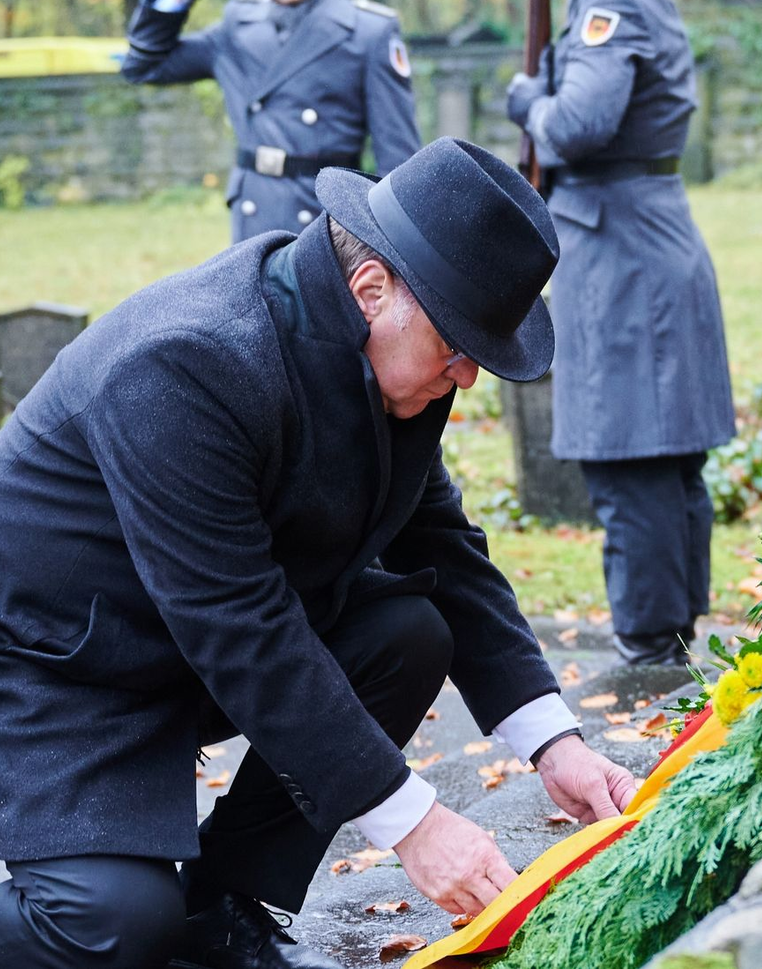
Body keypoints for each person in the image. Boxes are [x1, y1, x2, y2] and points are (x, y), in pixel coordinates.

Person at [0, 137, 636, 969]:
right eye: (459, 347)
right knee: (111, 927)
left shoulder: (387, 356)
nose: (468, 377)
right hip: (64, 666)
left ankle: (222, 905)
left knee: (409, 631)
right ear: (372, 288)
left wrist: (557, 745)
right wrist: (415, 823)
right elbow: (239, 625)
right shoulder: (184, 362)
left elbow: (444, 544)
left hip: (186, 646)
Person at [506, 0, 737, 666]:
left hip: (622, 248)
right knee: (662, 457)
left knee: (631, 454)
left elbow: (577, 127)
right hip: (641, 236)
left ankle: (649, 652)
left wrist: (527, 99)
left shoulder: (614, 7)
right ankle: (668, 638)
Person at [122, 0, 421, 243]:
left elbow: (399, 159)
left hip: (327, 221)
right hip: (253, 217)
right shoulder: (236, 29)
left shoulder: (368, 31)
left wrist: (387, 247)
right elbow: (143, 66)